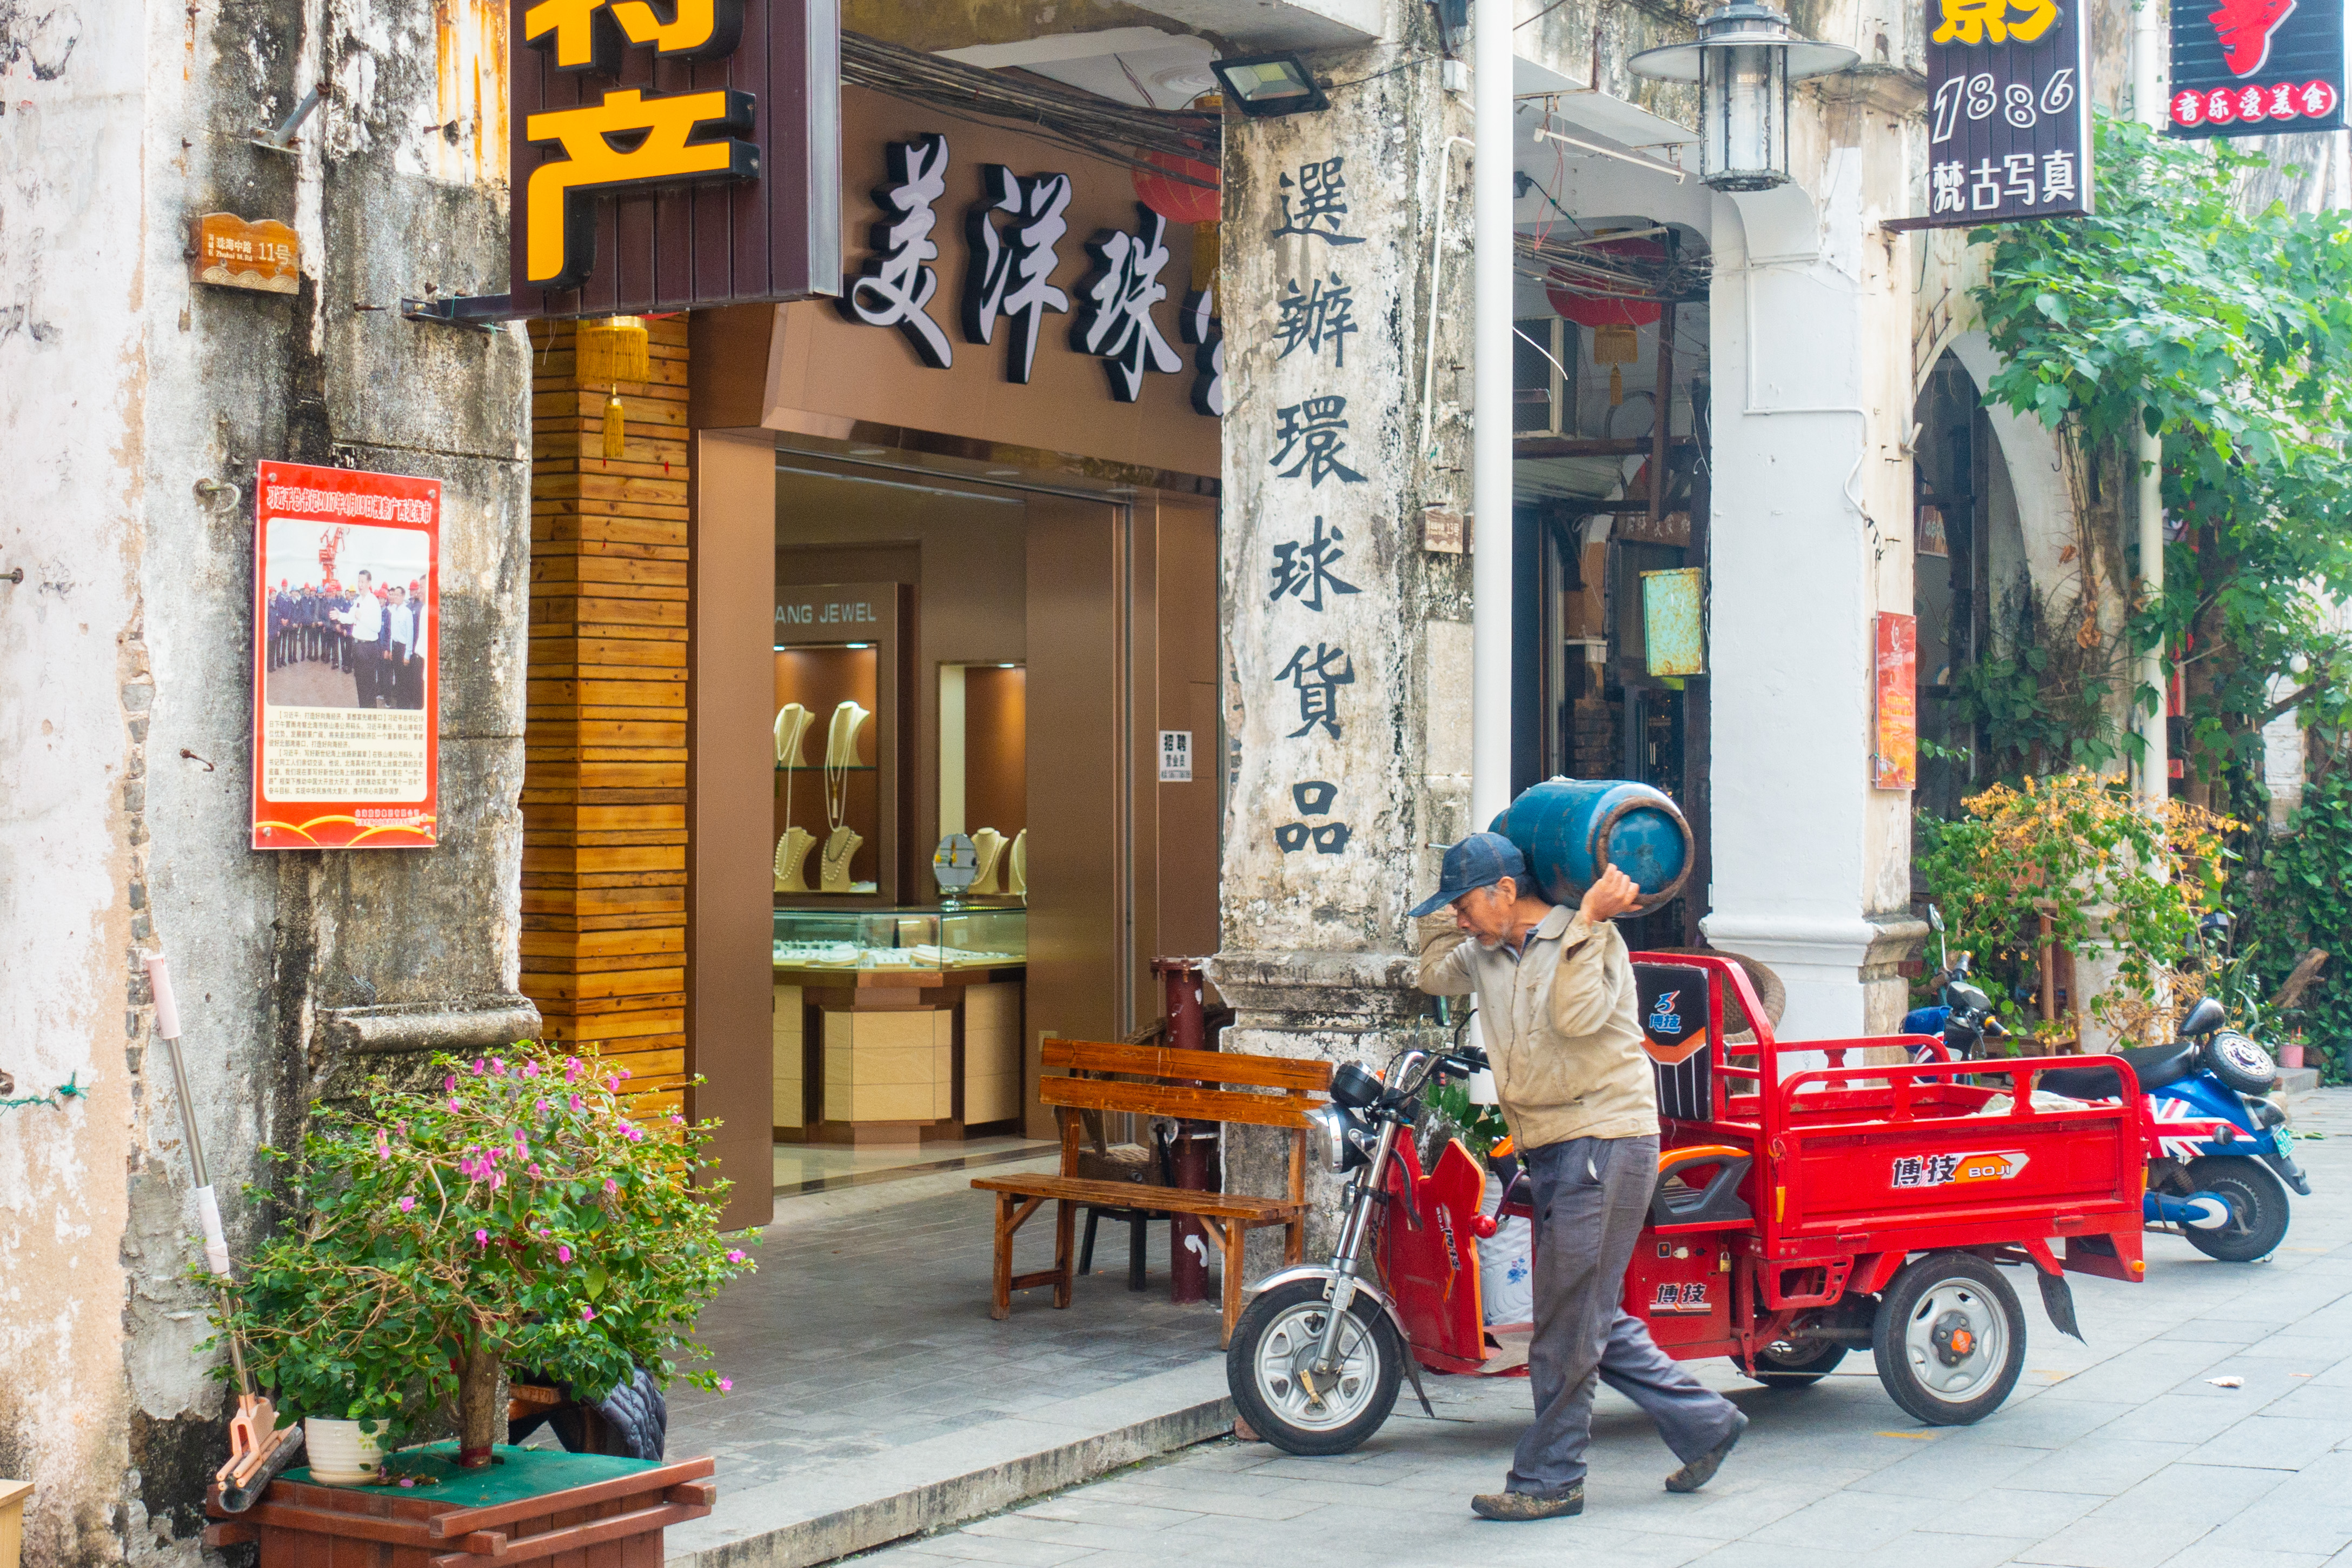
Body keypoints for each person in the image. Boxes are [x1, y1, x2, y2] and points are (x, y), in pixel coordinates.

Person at [1413, 833, 1745, 1522]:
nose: (1464, 922)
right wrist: (1446, 897)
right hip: (1554, 1145)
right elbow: (1428, 975)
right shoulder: (1482, 949)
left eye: (1469, 904)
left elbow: (1576, 1015)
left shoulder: (1594, 937)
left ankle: (1551, 1476)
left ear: (1507, 890)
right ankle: (1706, 1421)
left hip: (1606, 1139)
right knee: (1585, 1310)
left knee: (1568, 1323)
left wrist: (1590, 921)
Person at [348, 570, 384, 707]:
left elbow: (377, 627)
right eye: (359, 581)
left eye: (363, 582)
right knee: (360, 686)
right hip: (357, 647)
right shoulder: (358, 600)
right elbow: (351, 616)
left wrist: (361, 617)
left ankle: (370, 715)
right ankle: (364, 710)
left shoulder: (373, 601)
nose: (360, 585)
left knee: (368, 687)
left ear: (369, 583)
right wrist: (339, 615)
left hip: (368, 649)